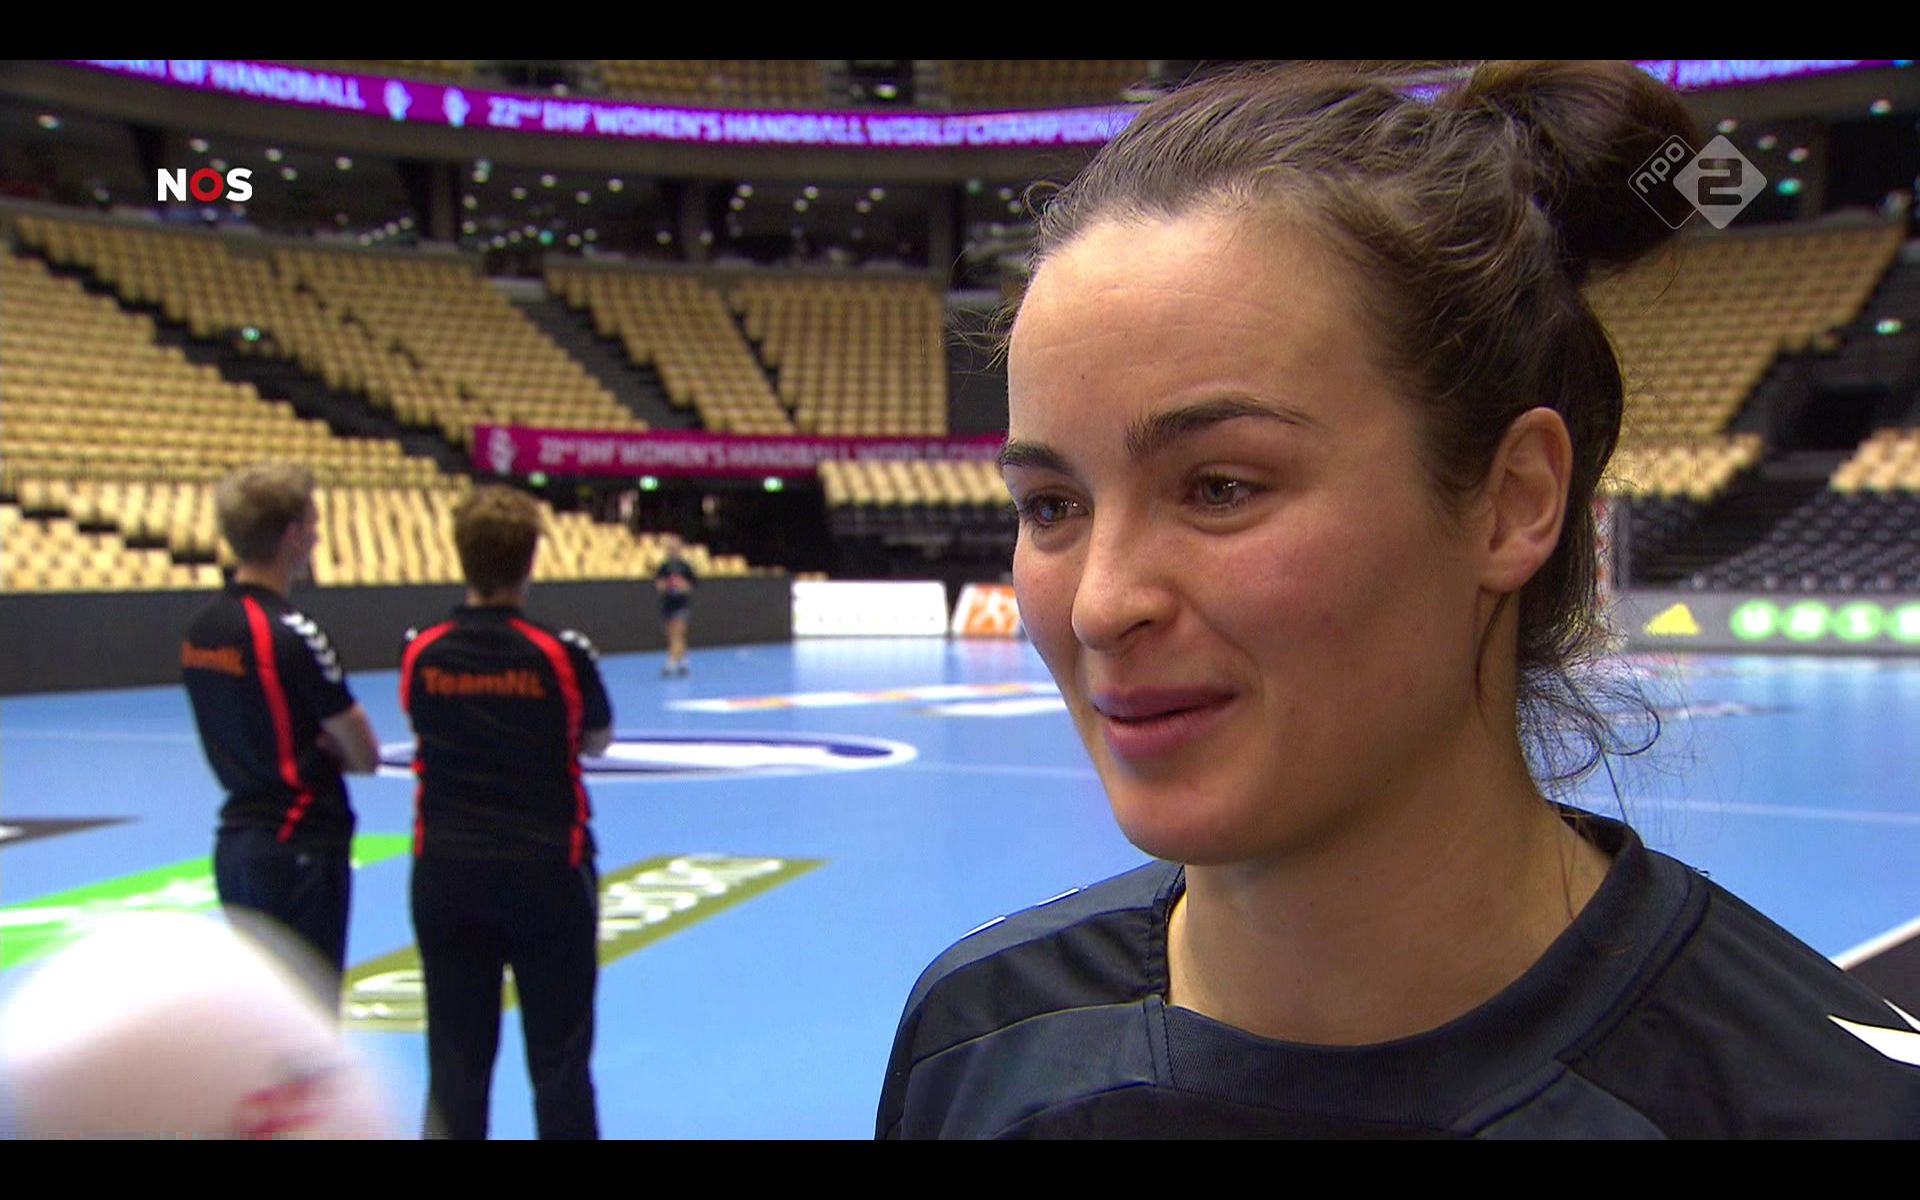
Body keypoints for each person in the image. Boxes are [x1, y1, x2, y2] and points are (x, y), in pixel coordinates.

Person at [876, 61, 1920, 1138]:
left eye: (1221, 487)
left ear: (1513, 501)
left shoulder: (1833, 1110)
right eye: (1051, 506)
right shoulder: (975, 1044)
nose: (1100, 605)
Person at [399, 485, 612, 1140]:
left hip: (448, 869)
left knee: (455, 1060)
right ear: (530, 559)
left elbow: (419, 722)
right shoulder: (560, 653)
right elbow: (596, 737)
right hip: (546, 867)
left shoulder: (423, 650)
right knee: (560, 1059)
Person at [182, 463, 379, 1006]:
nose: (317, 536)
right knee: (309, 1019)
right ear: (292, 535)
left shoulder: (201, 630)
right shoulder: (292, 633)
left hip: (237, 844)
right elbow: (364, 753)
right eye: (312, 523)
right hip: (301, 845)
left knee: (260, 1016)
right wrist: (326, 745)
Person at [653, 531, 697, 678]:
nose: (673, 549)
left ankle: (670, 663)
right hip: (668, 605)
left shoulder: (685, 566)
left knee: (677, 634)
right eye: (670, 547)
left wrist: (682, 587)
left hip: (681, 605)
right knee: (672, 634)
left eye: (675, 547)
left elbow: (691, 585)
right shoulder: (664, 566)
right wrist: (666, 586)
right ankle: (683, 662)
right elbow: (659, 585)